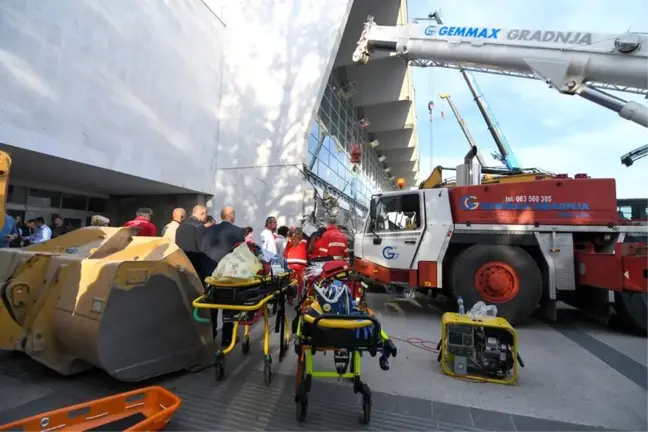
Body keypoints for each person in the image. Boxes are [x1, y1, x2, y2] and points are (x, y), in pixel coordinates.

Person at [201, 207, 245, 346]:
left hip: (210, 273)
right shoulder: (238, 231)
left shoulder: (208, 230)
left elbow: (203, 250)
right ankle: (227, 337)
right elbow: (240, 254)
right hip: (228, 274)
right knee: (228, 306)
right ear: (231, 216)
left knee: (212, 305)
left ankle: (212, 333)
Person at [175, 205, 208, 275]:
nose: (206, 217)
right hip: (195, 265)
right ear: (203, 213)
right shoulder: (200, 227)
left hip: (181, 262)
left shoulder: (180, 226)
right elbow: (202, 248)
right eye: (206, 214)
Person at [284, 227, 308, 302]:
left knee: (291, 281)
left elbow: (285, 252)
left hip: (290, 263)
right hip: (301, 264)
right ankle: (299, 297)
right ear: (301, 234)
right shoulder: (304, 242)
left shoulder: (290, 241)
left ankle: (290, 298)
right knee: (300, 281)